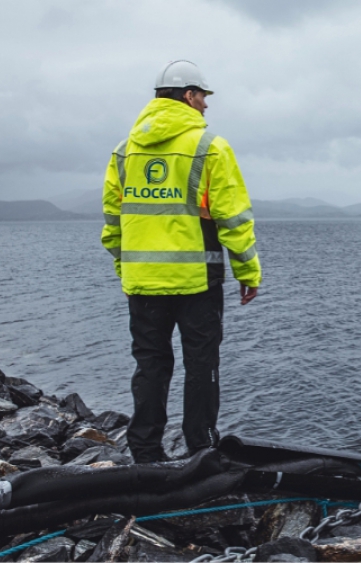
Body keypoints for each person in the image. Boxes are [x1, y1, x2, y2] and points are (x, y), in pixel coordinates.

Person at [101, 60, 262, 463]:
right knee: (201, 364)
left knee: (150, 364)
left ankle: (145, 451)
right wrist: (247, 271)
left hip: (143, 282)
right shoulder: (210, 147)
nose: (206, 104)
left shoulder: (124, 151)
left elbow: (112, 222)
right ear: (188, 95)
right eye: (203, 96)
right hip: (197, 281)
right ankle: (201, 448)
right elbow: (234, 219)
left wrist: (126, 271)